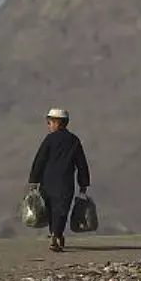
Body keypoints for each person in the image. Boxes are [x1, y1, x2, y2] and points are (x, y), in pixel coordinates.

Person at [27, 108, 91, 252]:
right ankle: (57, 234)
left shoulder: (49, 139)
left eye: (49, 122)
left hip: (48, 182)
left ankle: (55, 235)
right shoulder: (74, 140)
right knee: (61, 210)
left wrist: (33, 180)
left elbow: (40, 160)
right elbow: (81, 163)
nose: (48, 126)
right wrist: (83, 183)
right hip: (66, 183)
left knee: (50, 209)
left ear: (57, 123)